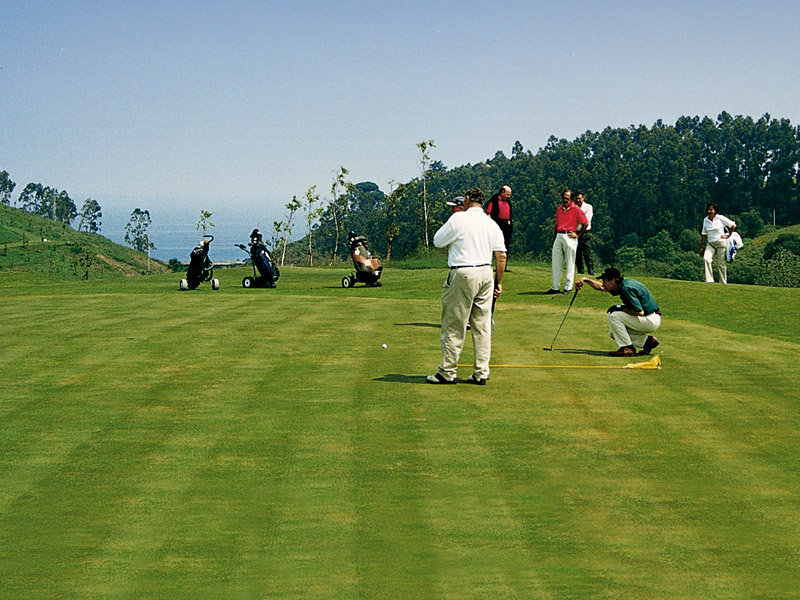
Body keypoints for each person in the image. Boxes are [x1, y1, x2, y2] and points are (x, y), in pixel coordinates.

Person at [428, 188, 507, 385]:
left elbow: (437, 241)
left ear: (467, 200)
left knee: (454, 323)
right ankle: (481, 372)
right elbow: (501, 256)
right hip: (486, 273)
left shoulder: (458, 218)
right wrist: (498, 282)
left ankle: (448, 371)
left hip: (463, 272)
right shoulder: (491, 223)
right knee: (482, 325)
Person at [576, 267, 661, 357]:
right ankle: (648, 342)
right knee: (614, 333)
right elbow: (601, 287)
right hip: (651, 318)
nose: (603, 284)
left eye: (604, 281)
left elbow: (639, 312)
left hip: (650, 319)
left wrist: (620, 308)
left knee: (614, 315)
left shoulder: (626, 288)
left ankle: (627, 348)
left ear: (612, 280)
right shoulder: (622, 284)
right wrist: (585, 280)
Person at [546, 188, 588, 294]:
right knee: (556, 262)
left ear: (571, 199)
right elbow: (556, 224)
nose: (565, 200)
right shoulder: (559, 209)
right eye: (564, 198)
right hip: (559, 234)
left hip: (570, 236)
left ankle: (568, 287)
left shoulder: (576, 209)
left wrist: (578, 235)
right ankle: (555, 287)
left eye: (567, 198)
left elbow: (585, 223)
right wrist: (555, 238)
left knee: (570, 262)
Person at [699, 203, 736, 284]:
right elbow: (704, 234)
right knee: (706, 259)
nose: (709, 211)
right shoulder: (705, 220)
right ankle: (709, 281)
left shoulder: (719, 218)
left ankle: (723, 282)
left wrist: (728, 235)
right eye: (708, 210)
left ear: (715, 210)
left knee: (721, 263)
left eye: (711, 209)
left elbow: (733, 225)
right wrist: (702, 246)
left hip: (720, 243)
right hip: (711, 243)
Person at [485, 185, 513, 269]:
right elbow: (488, 213)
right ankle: (489, 263)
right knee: (493, 244)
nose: (509, 196)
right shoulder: (493, 201)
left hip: (506, 226)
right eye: (507, 194)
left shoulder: (508, 202)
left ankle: (503, 266)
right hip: (497, 224)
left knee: (505, 245)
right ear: (502, 192)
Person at [574, 191, 594, 275]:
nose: (578, 200)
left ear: (583, 198)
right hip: (575, 231)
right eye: (577, 199)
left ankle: (591, 272)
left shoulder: (588, 207)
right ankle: (580, 271)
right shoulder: (574, 207)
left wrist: (580, 234)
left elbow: (586, 221)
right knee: (577, 254)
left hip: (585, 233)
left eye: (579, 198)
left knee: (587, 253)